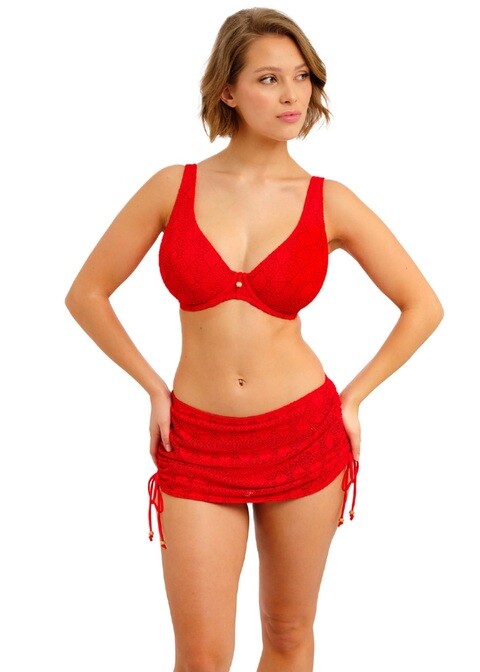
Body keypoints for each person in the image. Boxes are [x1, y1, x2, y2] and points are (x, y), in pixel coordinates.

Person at [65, 7, 443, 672]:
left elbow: (423, 306)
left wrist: (352, 399)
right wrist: (154, 388)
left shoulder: (329, 200)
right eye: (269, 78)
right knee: (201, 657)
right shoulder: (172, 187)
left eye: (302, 77)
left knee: (287, 632)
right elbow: (86, 293)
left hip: (302, 432)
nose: (292, 94)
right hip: (196, 440)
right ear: (228, 91)